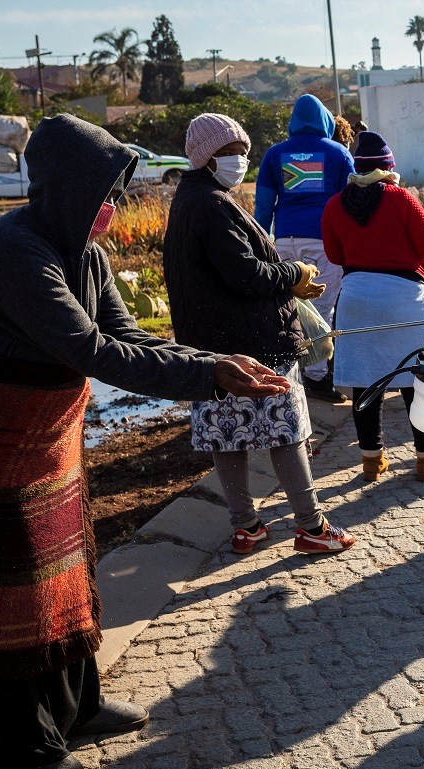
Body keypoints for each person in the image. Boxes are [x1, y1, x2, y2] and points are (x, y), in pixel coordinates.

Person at [0, 114, 291, 769]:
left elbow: (129, 334)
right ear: (64, 188)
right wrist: (210, 376)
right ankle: (20, 737)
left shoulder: (91, 254)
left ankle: (74, 705)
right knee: (2, 585)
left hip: (38, 445)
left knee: (61, 568)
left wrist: (218, 360)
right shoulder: (14, 252)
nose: (112, 203)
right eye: (103, 188)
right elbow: (91, 353)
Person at [163, 112, 355, 556]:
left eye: (242, 152)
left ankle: (246, 525)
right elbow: (246, 274)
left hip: (212, 350)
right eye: (228, 153)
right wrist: (295, 273)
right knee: (285, 432)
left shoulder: (192, 199)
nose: (238, 160)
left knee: (226, 435)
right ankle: (311, 527)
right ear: (203, 157)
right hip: (254, 345)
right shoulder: (211, 205)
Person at [321, 132, 424, 482]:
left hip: (356, 296)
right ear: (389, 168)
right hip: (404, 298)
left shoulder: (335, 204)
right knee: (414, 381)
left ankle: (372, 461)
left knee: (364, 381)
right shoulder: (402, 198)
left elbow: (334, 255)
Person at [255, 94, 355, 403]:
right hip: (323, 240)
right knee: (323, 307)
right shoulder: (338, 152)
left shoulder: (274, 154)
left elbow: (262, 205)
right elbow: (351, 202)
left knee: (288, 305)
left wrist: (262, 243)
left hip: (284, 240)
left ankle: (290, 372)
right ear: (324, 121)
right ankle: (318, 379)